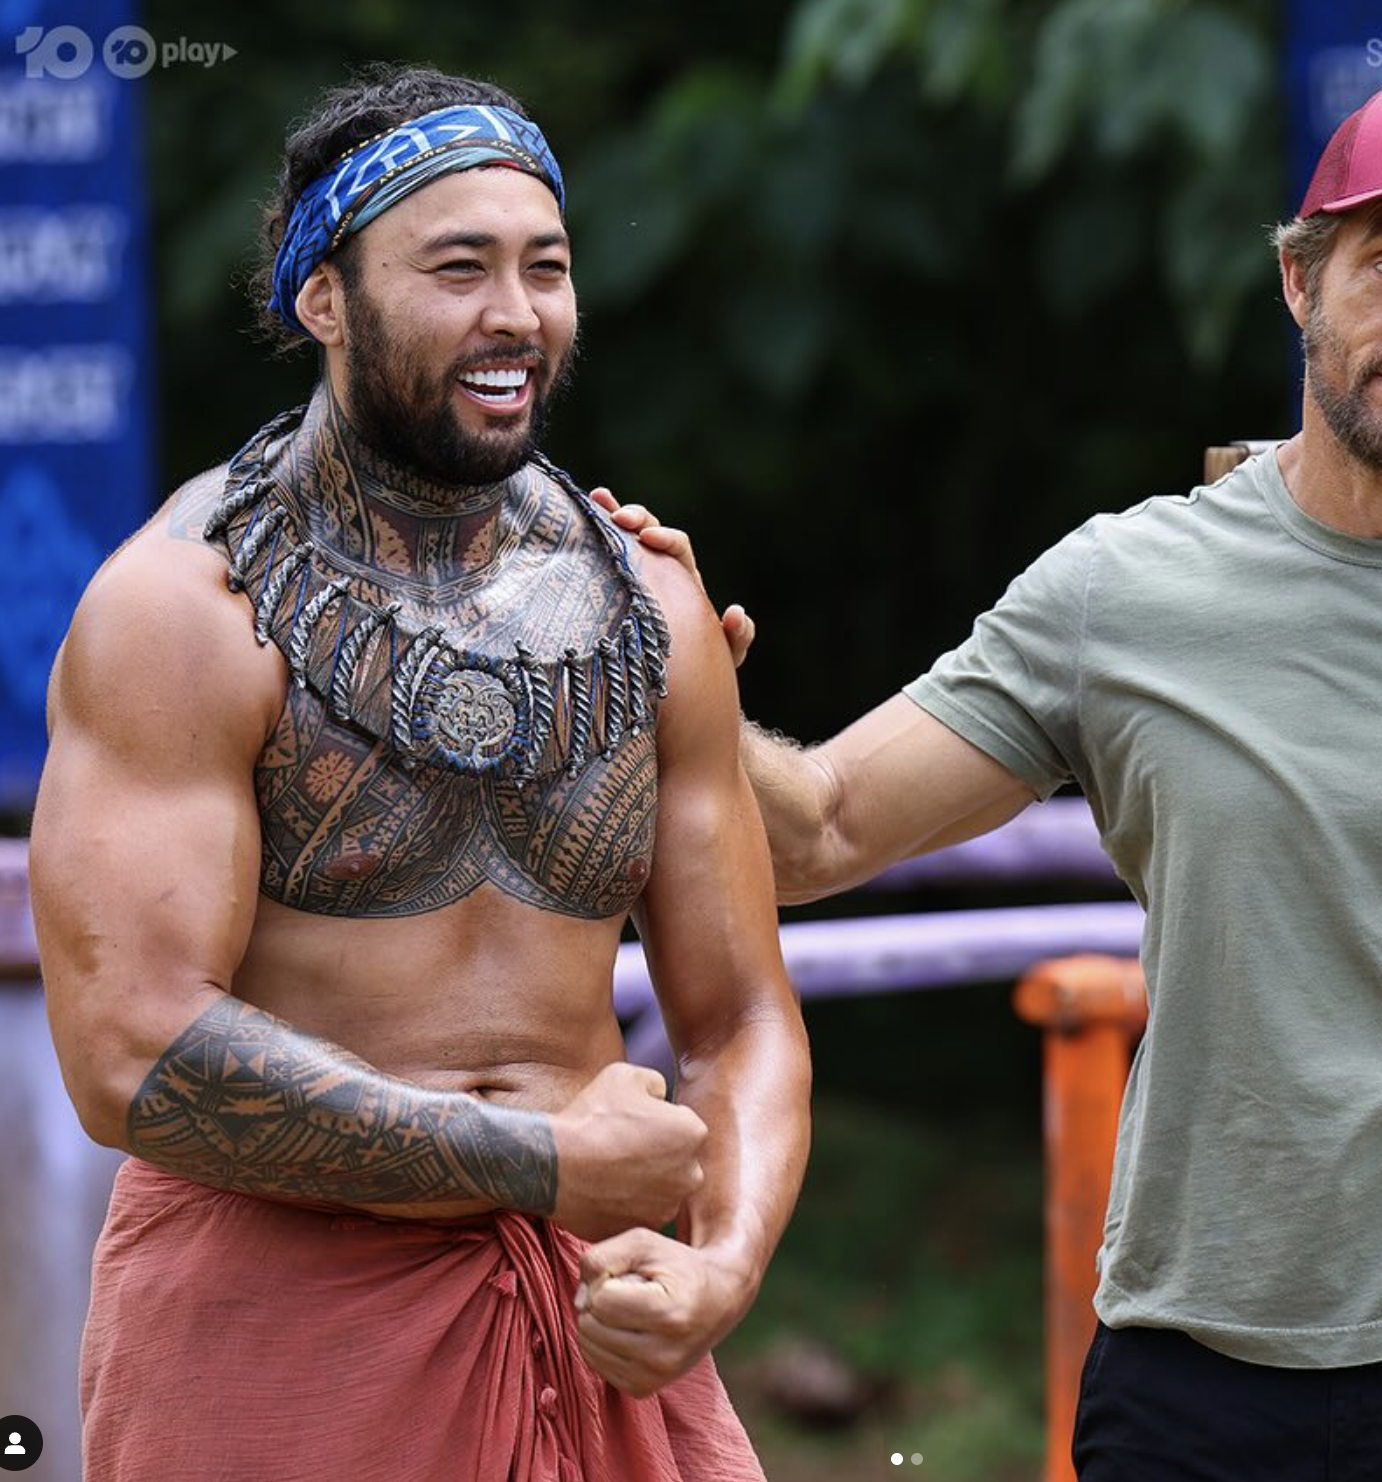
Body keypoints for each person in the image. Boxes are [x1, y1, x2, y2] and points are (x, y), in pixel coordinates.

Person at [613, 83, 1382, 1479]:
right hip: (1190, 1355)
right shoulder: (1122, 590)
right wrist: (665, 676)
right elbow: (824, 827)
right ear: (1299, 278)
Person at [29, 65, 808, 1482]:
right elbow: (130, 1047)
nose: (514, 313)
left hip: (592, 1316)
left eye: (545, 267)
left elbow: (742, 1012)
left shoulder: (649, 604)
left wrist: (725, 1263)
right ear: (323, 298)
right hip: (279, 1336)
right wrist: (534, 1161)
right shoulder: (180, 612)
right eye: (458, 268)